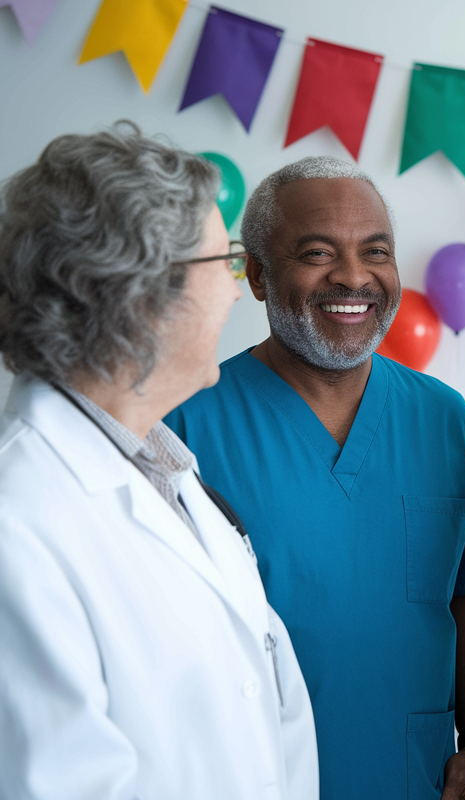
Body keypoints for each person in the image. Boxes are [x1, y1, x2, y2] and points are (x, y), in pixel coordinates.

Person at [166, 156, 465, 800]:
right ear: (259, 276)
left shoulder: (443, 416)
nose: (353, 276)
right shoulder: (185, 420)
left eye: (376, 251)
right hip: (252, 775)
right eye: (318, 253)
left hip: (417, 775)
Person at [0, 123, 318, 798]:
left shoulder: (169, 475)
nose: (238, 293)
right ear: (141, 294)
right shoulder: (17, 523)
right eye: (224, 262)